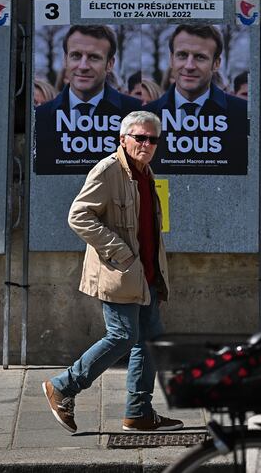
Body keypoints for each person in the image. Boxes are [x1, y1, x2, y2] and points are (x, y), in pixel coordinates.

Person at [42, 110, 183, 434]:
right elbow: (78, 216)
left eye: (152, 139)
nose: (146, 144)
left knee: (149, 341)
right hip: (120, 272)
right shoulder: (108, 170)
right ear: (123, 139)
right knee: (122, 336)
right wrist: (120, 252)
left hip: (146, 276)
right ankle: (63, 386)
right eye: (139, 137)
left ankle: (138, 413)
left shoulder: (145, 173)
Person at [34, 25, 141, 174]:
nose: (83, 66)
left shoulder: (135, 114)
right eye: (76, 56)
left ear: (110, 64)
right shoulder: (40, 117)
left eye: (93, 57)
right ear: (65, 60)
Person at [144, 25, 248, 174]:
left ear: (216, 64)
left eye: (200, 57)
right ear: (171, 59)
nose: (189, 66)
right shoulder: (145, 117)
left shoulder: (243, 115)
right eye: (182, 55)